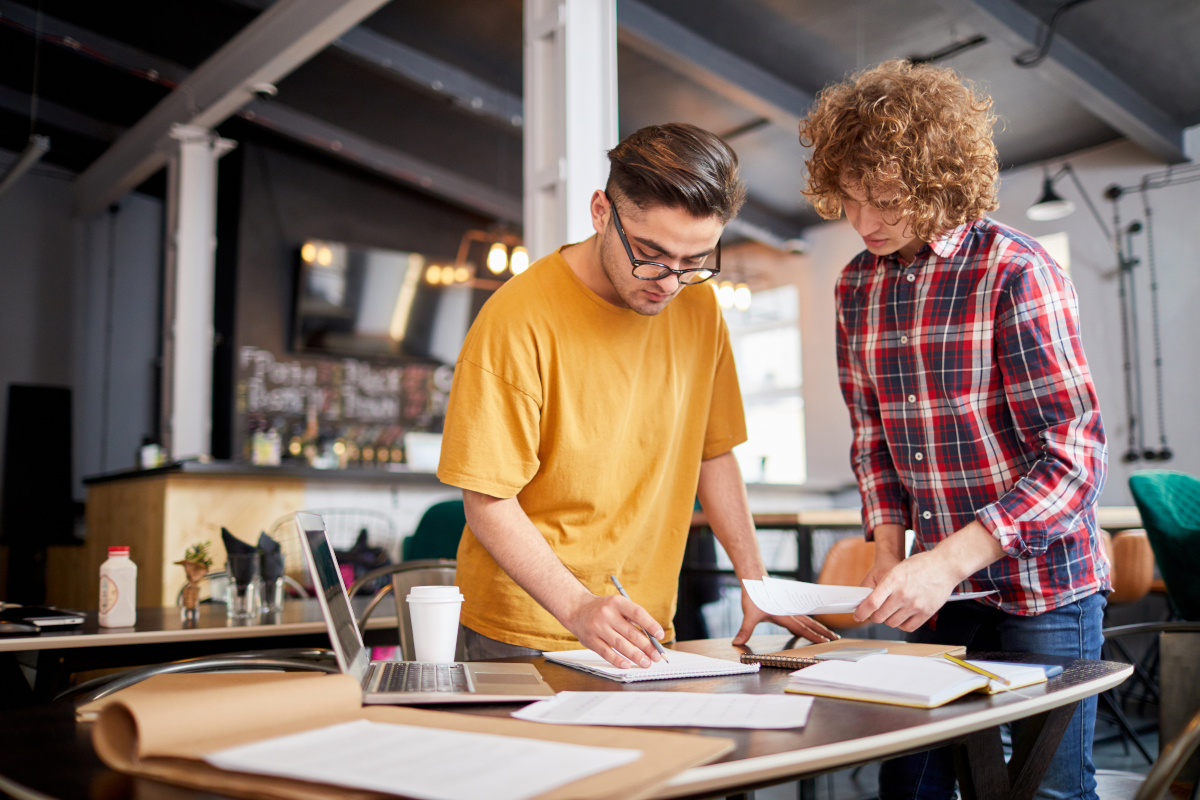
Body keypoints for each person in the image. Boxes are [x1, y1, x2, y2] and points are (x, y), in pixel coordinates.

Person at [799, 61, 1109, 800]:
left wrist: (947, 560)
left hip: (1043, 591)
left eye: (887, 201)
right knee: (913, 785)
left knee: (1045, 793)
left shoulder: (1015, 272)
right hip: (936, 593)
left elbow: (1074, 456)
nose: (865, 223)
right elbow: (873, 438)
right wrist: (889, 551)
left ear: (941, 183)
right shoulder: (856, 284)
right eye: (848, 200)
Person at [438, 123, 836, 667]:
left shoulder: (698, 309)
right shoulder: (516, 320)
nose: (670, 281)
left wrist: (755, 579)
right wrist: (578, 606)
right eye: (650, 253)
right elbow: (487, 499)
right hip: (526, 627)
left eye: (694, 261)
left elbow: (712, 452)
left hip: (643, 624)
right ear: (601, 211)